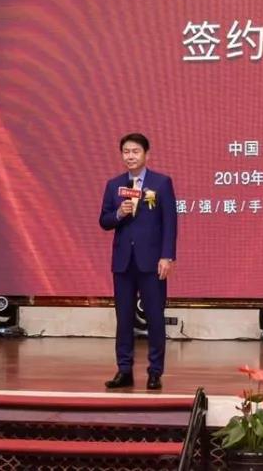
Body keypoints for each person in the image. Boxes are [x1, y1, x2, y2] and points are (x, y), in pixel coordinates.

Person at [98, 133, 177, 390]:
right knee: (124, 319)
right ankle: (124, 370)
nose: (130, 156)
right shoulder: (114, 185)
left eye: (135, 151)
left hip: (152, 262)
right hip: (123, 262)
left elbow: (170, 223)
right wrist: (119, 213)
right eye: (126, 152)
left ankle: (155, 371)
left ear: (146, 155)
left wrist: (167, 256)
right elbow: (104, 221)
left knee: (154, 317)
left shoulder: (161, 183)